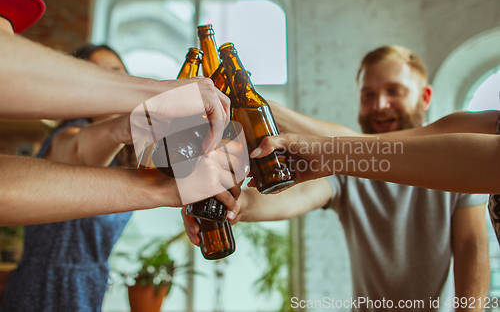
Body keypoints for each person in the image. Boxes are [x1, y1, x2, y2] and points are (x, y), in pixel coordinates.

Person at [184, 45, 490, 310]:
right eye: (368, 95)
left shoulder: (455, 160)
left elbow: (471, 247)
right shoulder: (348, 166)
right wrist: (228, 203)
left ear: (425, 97)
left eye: (394, 91)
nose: (379, 104)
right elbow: (292, 196)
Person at [0, 0, 242, 225]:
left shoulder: (134, 148)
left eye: (117, 74)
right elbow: (76, 149)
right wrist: (159, 92)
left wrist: (168, 185)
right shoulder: (71, 131)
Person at [1, 44, 141, 311]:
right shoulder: (66, 134)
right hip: (44, 286)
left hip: (90, 284)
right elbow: (78, 149)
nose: (112, 83)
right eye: (99, 76)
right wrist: (127, 126)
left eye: (116, 73)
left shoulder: (125, 156)